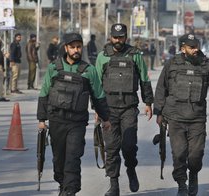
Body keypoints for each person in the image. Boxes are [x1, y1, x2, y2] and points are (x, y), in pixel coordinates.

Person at [154, 33, 209, 196]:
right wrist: (158, 112)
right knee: (179, 153)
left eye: (197, 46)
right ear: (183, 48)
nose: (195, 50)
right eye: (191, 47)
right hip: (175, 117)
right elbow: (161, 88)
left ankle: (193, 174)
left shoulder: (206, 65)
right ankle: (182, 184)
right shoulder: (171, 64)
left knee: (196, 155)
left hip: (197, 118)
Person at [37, 32, 111, 196]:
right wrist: (41, 119)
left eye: (78, 47)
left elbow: (98, 96)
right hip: (56, 120)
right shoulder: (54, 68)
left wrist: (106, 118)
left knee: (73, 157)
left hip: (77, 124)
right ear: (66, 48)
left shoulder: (89, 70)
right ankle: (63, 184)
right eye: (72, 47)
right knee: (58, 159)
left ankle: (70, 191)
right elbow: (44, 94)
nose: (76, 50)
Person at [95, 23, 154, 196]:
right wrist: (97, 110)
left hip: (129, 107)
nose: (118, 40)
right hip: (108, 110)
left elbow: (144, 79)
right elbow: (96, 85)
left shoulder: (135, 55)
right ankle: (114, 185)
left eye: (121, 37)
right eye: (115, 37)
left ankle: (131, 169)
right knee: (111, 148)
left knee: (128, 146)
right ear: (110, 37)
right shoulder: (102, 57)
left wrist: (148, 103)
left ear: (126, 37)